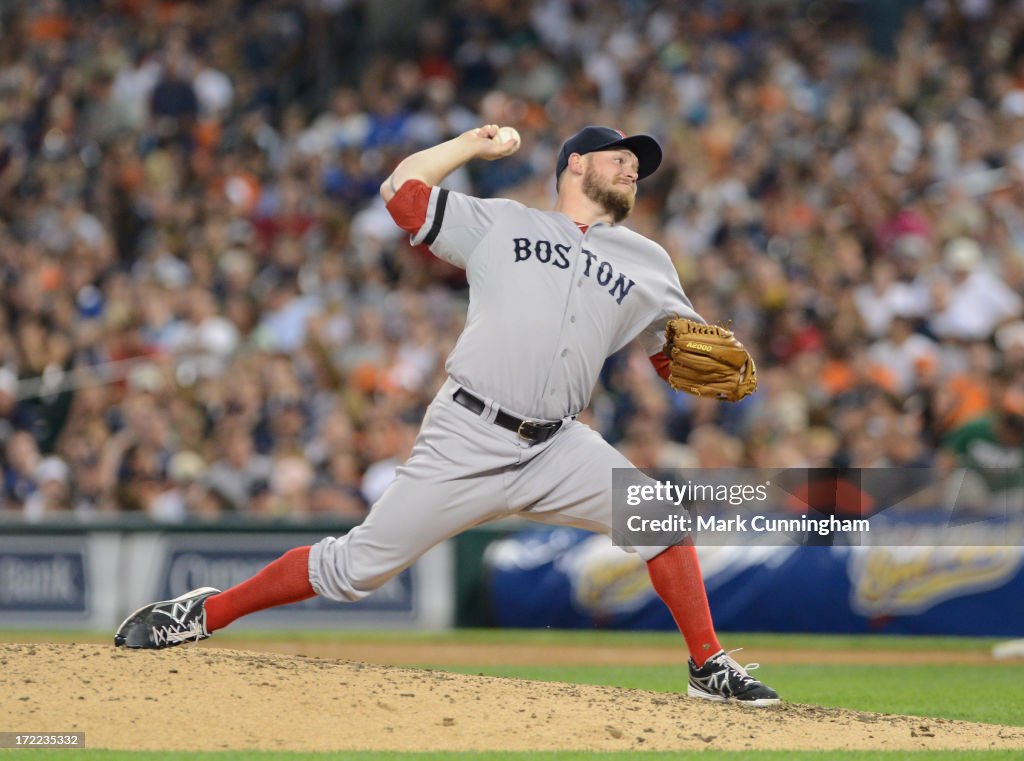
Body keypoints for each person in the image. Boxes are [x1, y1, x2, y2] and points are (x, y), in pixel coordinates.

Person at [114, 124, 780, 706]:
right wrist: (470, 144)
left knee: (659, 518)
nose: (632, 167)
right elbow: (400, 195)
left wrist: (689, 363)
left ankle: (707, 663)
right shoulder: (503, 221)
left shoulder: (649, 260)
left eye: (638, 163)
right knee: (355, 570)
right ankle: (204, 612)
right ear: (574, 164)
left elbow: (678, 353)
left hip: (559, 445)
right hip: (468, 431)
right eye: (618, 156)